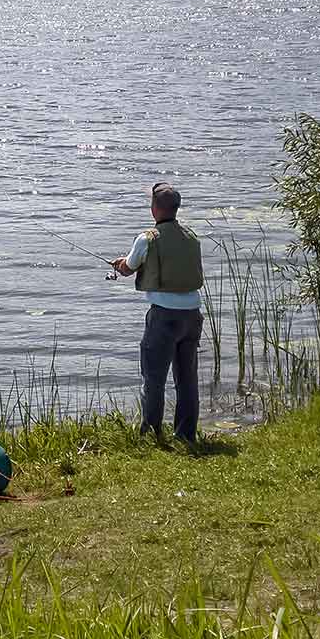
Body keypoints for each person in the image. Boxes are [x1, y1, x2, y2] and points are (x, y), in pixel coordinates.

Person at [111, 182, 205, 449]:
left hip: (164, 317)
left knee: (154, 379)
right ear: (176, 208)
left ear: (154, 209)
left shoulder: (147, 238)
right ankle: (186, 435)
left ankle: (152, 434)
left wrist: (120, 265)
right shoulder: (191, 237)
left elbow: (128, 268)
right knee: (187, 380)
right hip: (193, 316)